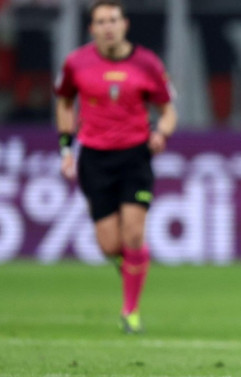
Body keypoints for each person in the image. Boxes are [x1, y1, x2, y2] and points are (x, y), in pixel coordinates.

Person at [54, 0, 176, 334]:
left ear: (125, 24)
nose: (108, 26)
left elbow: (168, 111)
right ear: (92, 29)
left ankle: (130, 311)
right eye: (101, 21)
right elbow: (64, 102)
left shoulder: (147, 63)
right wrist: (66, 148)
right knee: (109, 245)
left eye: (113, 20)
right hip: (94, 157)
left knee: (134, 234)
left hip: (135, 155)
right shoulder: (76, 63)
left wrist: (161, 133)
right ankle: (136, 269)